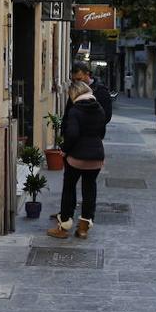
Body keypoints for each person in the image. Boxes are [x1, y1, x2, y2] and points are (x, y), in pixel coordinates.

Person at [47, 81, 107, 240]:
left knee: (69, 189)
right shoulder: (99, 109)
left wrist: (65, 150)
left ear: (74, 95)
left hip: (76, 157)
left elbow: (72, 134)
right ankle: (83, 229)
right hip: (96, 157)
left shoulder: (75, 111)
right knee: (90, 190)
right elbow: (102, 133)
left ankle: (64, 226)